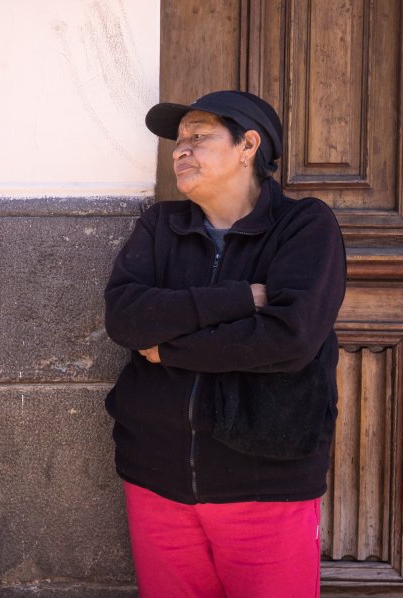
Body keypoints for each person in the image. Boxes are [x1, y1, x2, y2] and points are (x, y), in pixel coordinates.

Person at [104, 91, 346, 597]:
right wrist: (237, 299)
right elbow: (126, 320)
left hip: (266, 487)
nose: (180, 150)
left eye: (199, 136)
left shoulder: (305, 226)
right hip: (158, 482)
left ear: (248, 145)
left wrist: (168, 349)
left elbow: (288, 339)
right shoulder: (160, 226)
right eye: (179, 140)